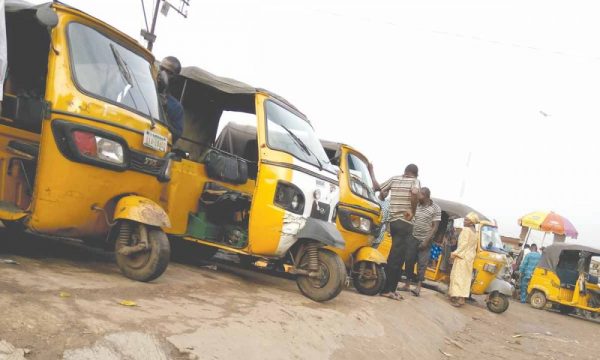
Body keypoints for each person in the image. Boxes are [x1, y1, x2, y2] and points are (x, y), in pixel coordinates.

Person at [368, 163, 420, 300]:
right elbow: (414, 193)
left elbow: (378, 188)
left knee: (399, 256)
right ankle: (386, 290)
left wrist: (371, 171)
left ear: (405, 171)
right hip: (405, 222)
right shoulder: (415, 181)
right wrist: (413, 211)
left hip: (394, 222)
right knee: (396, 258)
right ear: (416, 174)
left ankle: (392, 289)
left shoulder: (395, 179)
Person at [411, 187, 441, 297]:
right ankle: (407, 285)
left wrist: (426, 241)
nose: (418, 197)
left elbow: (435, 227)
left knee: (422, 264)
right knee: (409, 261)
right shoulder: (417, 205)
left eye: (420, 195)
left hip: (426, 240)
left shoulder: (436, 208)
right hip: (413, 237)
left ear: (426, 196)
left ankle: (418, 288)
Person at [448, 212, 480, 307]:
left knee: (458, 277)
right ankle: (457, 296)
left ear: (471, 222)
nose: (464, 221)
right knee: (465, 278)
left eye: (467, 220)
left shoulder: (466, 230)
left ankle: (460, 299)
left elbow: (463, 244)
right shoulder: (475, 232)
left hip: (462, 257)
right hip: (469, 258)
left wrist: (454, 254)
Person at [158, 56, 184, 143]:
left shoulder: (176, 107)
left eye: (169, 72)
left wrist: (164, 111)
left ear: (175, 78)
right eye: (161, 68)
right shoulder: (141, 90)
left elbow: (174, 137)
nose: (163, 74)